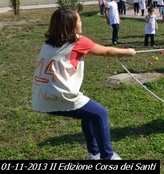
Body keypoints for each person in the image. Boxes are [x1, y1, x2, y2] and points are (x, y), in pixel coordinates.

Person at [32, 8, 136, 160]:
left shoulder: (48, 43)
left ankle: (93, 154)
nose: (81, 22)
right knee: (100, 113)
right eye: (79, 20)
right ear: (70, 25)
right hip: (61, 97)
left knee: (89, 114)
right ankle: (108, 157)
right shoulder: (79, 42)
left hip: (41, 98)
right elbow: (106, 51)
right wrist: (128, 51)